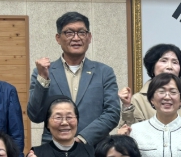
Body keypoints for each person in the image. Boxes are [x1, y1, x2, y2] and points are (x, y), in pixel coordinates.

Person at [27, 11, 121, 145]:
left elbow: (112, 113)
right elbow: (35, 116)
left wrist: (82, 139)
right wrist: (43, 79)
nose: (76, 38)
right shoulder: (42, 71)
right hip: (53, 149)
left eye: (81, 32)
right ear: (58, 38)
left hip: (94, 148)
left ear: (89, 37)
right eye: (69, 33)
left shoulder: (104, 72)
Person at [118, 43, 181, 127]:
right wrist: (127, 107)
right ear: (152, 66)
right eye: (164, 61)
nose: (169, 66)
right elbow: (129, 132)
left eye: (175, 62)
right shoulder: (138, 99)